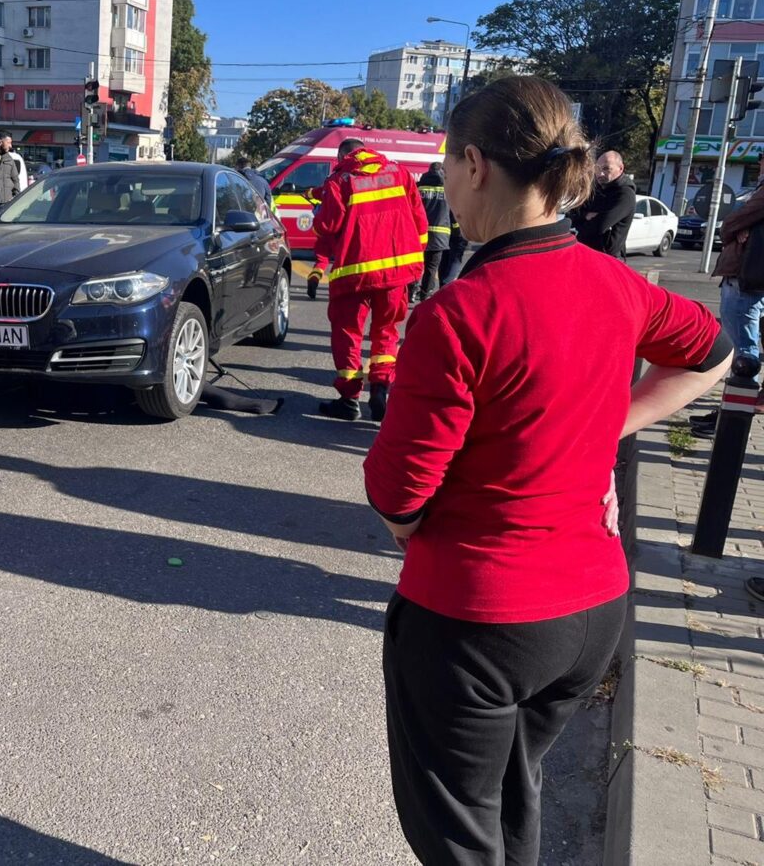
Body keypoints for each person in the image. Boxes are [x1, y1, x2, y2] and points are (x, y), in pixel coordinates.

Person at [363, 76, 731, 865]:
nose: (443, 190)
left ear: (475, 164)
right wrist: (607, 429)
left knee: (460, 838)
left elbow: (398, 493)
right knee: (510, 805)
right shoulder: (615, 283)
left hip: (476, 624)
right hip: (592, 614)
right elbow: (714, 356)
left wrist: (410, 532)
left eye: (445, 168)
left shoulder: (459, 311)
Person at [306, 138, 428, 422]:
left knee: (348, 332)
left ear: (343, 156)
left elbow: (327, 226)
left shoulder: (340, 180)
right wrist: (413, 258)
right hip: (396, 271)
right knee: (386, 331)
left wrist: (319, 206)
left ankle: (349, 399)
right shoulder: (399, 173)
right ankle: (381, 388)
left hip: (355, 274)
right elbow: (419, 221)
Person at [692, 176, 764, 442]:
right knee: (748, 348)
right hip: (752, 279)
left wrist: (742, 228)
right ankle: (731, 412)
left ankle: (732, 419)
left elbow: (731, 222)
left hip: (747, 279)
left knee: (743, 354)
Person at [570, 149, 637, 258]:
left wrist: (580, 224)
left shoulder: (625, 195)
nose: (600, 173)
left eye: (606, 169)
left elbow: (599, 226)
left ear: (620, 168)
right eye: (597, 169)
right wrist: (586, 216)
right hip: (585, 253)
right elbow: (572, 215)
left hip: (607, 259)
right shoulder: (595, 190)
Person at [410, 161, 451, 302]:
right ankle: (425, 295)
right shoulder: (448, 189)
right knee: (431, 267)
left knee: (415, 264)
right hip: (440, 235)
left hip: (417, 234)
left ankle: (411, 292)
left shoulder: (418, 187)